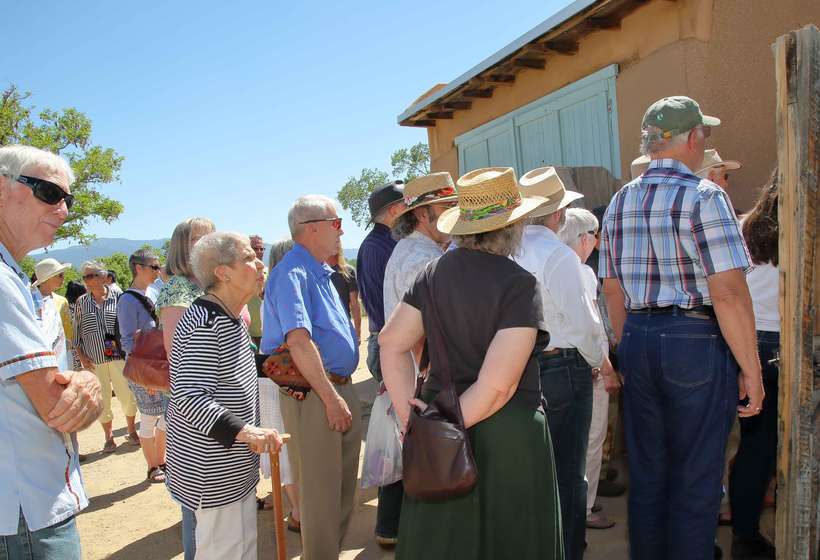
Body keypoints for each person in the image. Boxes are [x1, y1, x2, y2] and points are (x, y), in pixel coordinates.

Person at [598, 96, 763, 559]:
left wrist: (629, 347)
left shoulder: (618, 201)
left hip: (639, 335)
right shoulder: (706, 196)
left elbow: (613, 289)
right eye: (703, 134)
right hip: (694, 339)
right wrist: (751, 369)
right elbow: (728, 293)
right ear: (692, 139)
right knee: (696, 479)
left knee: (648, 477)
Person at [380, 166, 562, 559]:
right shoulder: (519, 283)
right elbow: (498, 387)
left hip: (442, 433)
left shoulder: (431, 274)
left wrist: (417, 422)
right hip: (507, 437)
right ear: (513, 226)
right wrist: (442, 424)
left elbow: (391, 343)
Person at [0, 144, 102, 558]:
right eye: (50, 192)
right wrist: (89, 384)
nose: (64, 210)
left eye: (68, 199)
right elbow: (61, 408)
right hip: (27, 510)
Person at [514, 166, 615, 560]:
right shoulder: (557, 254)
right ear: (557, 215)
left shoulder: (512, 250)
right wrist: (598, 362)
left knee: (535, 470)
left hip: (522, 365)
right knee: (569, 472)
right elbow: (584, 324)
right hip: (561, 365)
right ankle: (568, 550)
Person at [165, 231, 282, 560]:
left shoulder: (230, 318)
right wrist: (245, 432)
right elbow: (189, 396)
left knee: (241, 550)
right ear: (223, 272)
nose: (260, 262)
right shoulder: (206, 323)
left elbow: (233, 370)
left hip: (234, 467)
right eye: (248, 257)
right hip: (212, 472)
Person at [261, 195, 362, 559]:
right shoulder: (291, 273)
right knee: (320, 496)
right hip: (318, 396)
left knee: (341, 490)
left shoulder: (321, 270)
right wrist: (332, 399)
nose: (342, 231)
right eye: (337, 223)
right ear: (312, 228)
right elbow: (299, 343)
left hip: (337, 390)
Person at [376, 171, 457, 546]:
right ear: (423, 214)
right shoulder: (421, 259)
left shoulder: (416, 252)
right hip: (422, 383)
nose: (455, 213)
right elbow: (419, 336)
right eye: (448, 206)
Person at [557, 208, 622, 532]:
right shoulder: (580, 272)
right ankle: (584, 507)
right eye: (594, 235)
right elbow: (591, 331)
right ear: (583, 239)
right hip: (585, 370)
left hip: (555, 369)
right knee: (591, 441)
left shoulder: (552, 263)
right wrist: (606, 367)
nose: (596, 242)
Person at [154, 216, 215, 560]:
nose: (207, 243)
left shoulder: (204, 284)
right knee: (198, 498)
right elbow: (178, 352)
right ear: (182, 246)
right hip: (195, 406)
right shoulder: (178, 289)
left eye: (211, 236)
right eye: (198, 238)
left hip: (212, 402)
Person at [728, 170, 780, 559]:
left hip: (748, 342)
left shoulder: (743, 226)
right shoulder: (804, 226)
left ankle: (744, 534)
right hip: (787, 342)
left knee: (754, 446)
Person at [257, 239, 300, 531]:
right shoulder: (282, 289)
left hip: (279, 375)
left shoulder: (273, 289)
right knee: (286, 444)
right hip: (281, 377)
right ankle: (298, 512)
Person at [74, 260, 138, 452]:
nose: (86, 280)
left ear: (103, 277)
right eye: (84, 277)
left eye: (90, 276)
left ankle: (131, 429)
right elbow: (76, 333)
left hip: (117, 354)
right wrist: (81, 356)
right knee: (102, 399)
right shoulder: (81, 302)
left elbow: (128, 324)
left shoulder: (118, 296)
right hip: (94, 359)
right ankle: (108, 436)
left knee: (127, 393)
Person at [116, 249, 167, 483]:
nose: (158, 270)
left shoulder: (155, 292)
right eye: (154, 267)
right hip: (144, 370)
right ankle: (152, 466)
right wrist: (146, 378)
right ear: (139, 268)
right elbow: (127, 341)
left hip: (160, 366)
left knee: (166, 417)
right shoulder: (127, 299)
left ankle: (162, 460)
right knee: (148, 418)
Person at [356, 180, 406, 383]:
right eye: (407, 204)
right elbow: (381, 305)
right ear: (394, 210)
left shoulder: (390, 242)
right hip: (390, 342)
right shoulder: (375, 247)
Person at [32, 258, 73, 370]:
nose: (63, 278)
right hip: (40, 359)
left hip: (63, 355)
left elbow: (68, 330)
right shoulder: (29, 301)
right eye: (60, 275)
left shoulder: (61, 300)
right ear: (48, 278)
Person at [327, 239, 361, 341]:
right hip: (325, 331)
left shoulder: (348, 271)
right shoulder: (317, 272)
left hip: (344, 328)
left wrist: (358, 333)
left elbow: (355, 304)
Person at [247, 235, 266, 348]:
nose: (259, 251)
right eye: (255, 248)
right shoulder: (242, 275)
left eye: (261, 249)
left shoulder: (270, 272)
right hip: (250, 335)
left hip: (266, 334)